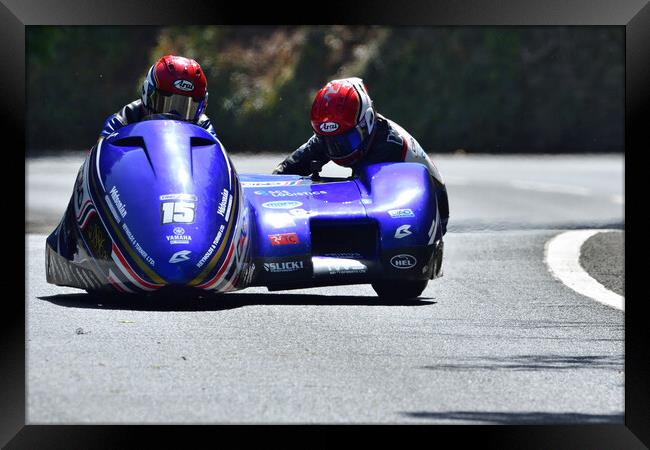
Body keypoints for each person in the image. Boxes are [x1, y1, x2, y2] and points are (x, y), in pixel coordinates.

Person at [272, 77, 449, 236]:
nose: (337, 148)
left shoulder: (388, 145)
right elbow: (283, 173)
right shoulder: (331, 134)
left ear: (368, 121)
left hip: (428, 208)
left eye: (347, 140)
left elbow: (358, 197)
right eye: (329, 142)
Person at [100, 54, 217, 139]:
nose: (173, 119)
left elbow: (218, 159)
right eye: (166, 103)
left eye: (186, 107)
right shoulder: (122, 120)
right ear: (147, 94)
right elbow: (101, 155)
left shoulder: (204, 126)